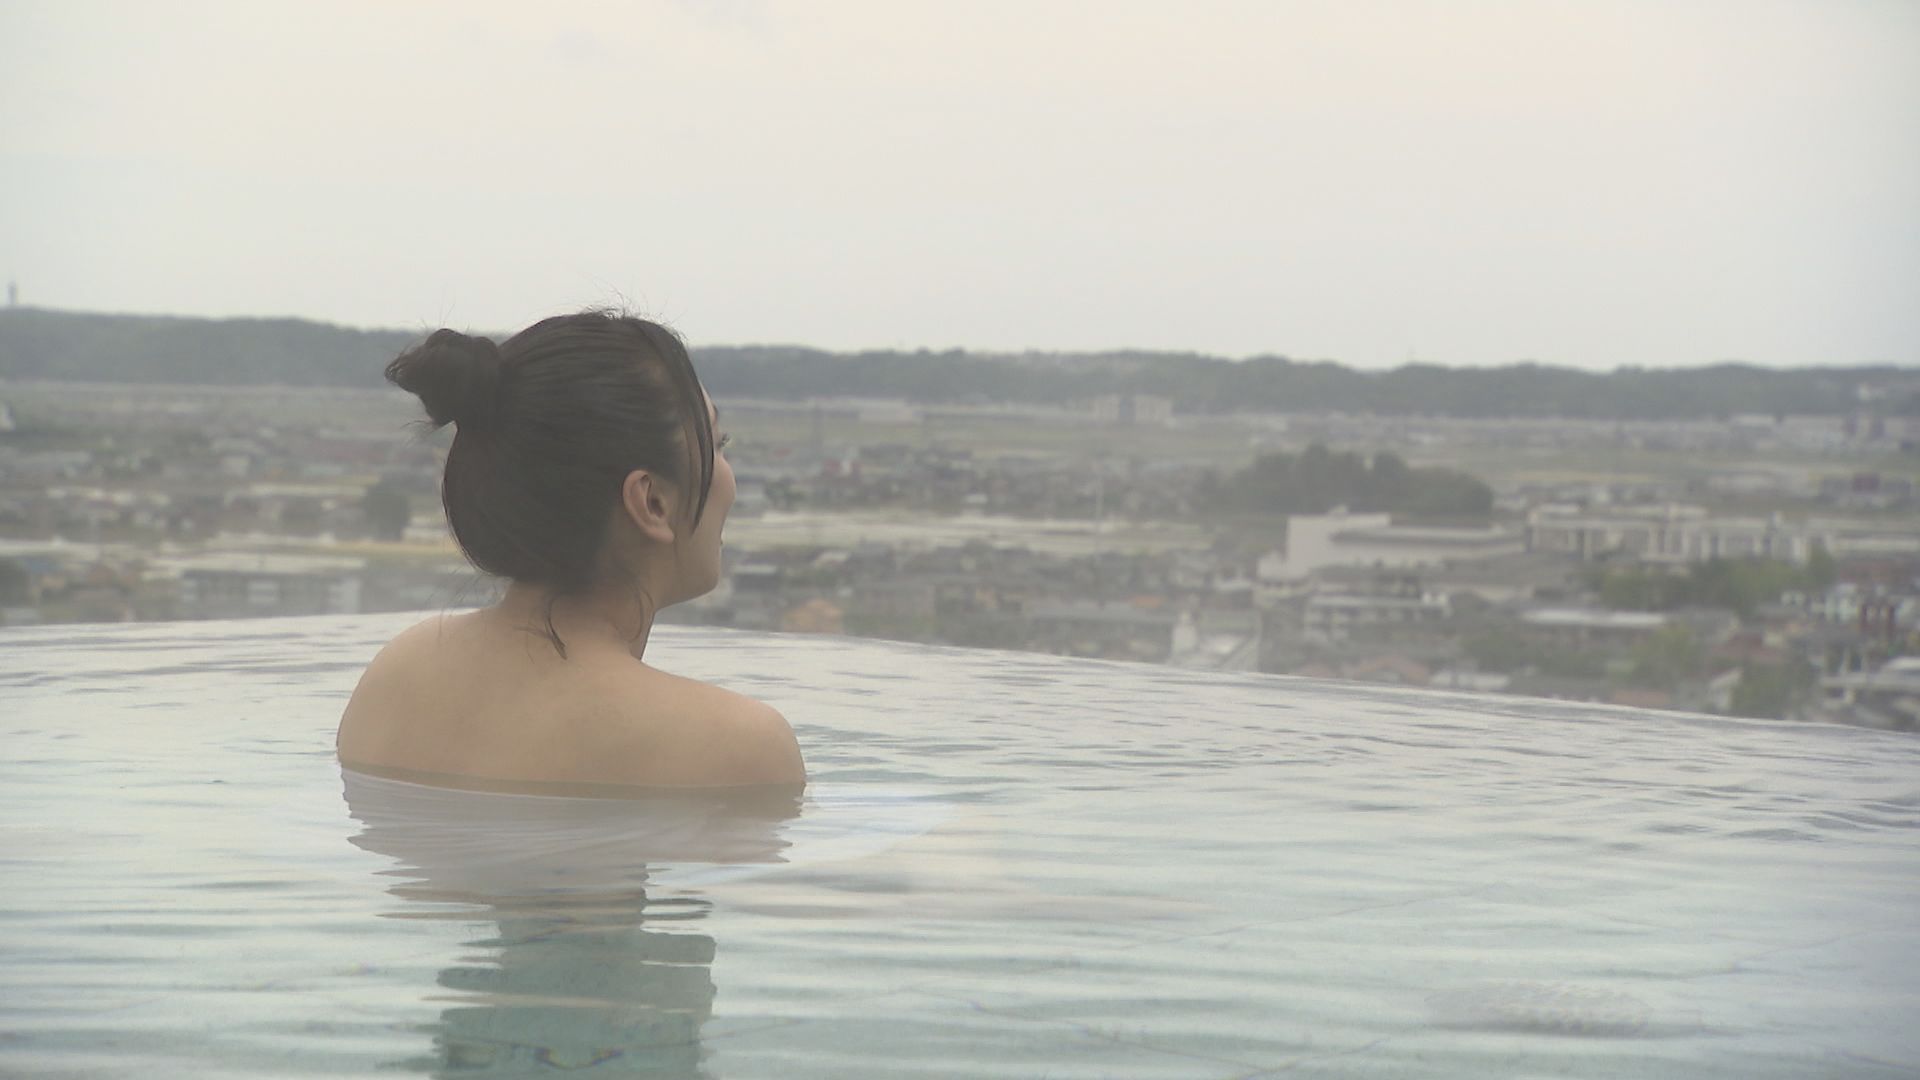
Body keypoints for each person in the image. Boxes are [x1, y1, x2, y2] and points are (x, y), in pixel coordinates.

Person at [337, 312, 805, 790]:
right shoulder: (736, 746)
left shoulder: (397, 675)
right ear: (652, 502)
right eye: (718, 445)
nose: (729, 478)